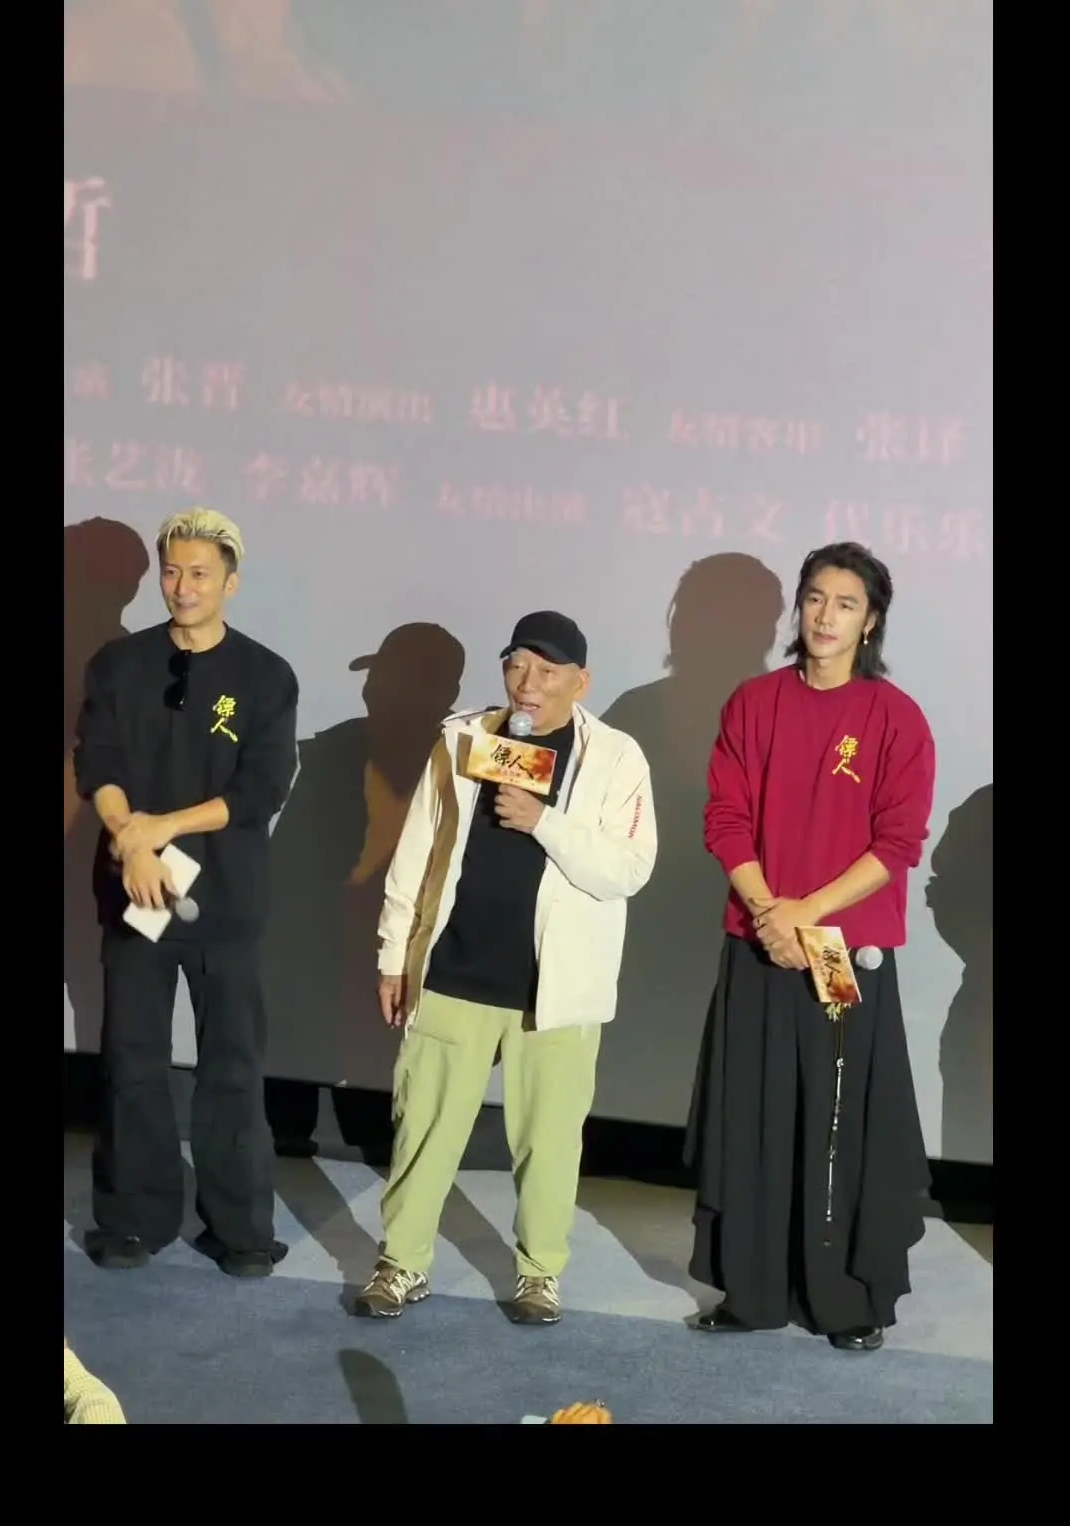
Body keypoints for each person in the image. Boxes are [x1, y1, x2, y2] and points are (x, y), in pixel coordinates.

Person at [355, 611, 656, 1326]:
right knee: (423, 1127)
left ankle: (539, 1274)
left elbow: (628, 868)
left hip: (555, 988)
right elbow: (419, 849)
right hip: (455, 968)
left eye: (548, 672)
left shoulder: (616, 758)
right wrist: (395, 953)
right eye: (518, 665)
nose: (529, 683)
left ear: (580, 682)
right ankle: (401, 1263)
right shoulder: (464, 739)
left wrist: (542, 819)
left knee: (549, 1142)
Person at [684, 542, 936, 1352]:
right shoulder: (754, 702)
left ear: (871, 622)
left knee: (837, 1121)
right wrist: (770, 913)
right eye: (817, 598)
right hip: (759, 940)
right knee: (753, 1113)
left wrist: (806, 915)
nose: (826, 616)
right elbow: (725, 818)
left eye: (846, 604)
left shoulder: (894, 717)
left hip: (839, 948)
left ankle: (844, 1298)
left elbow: (897, 843)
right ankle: (751, 1290)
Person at [73, 507, 299, 1277]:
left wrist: (160, 827)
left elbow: (262, 788)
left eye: (199, 573)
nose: (183, 586)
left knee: (231, 1068)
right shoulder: (119, 664)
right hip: (135, 892)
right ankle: (132, 1220)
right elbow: (97, 761)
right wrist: (129, 838)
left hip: (225, 900)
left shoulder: (266, 676)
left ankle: (242, 1230)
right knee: (132, 1060)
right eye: (172, 571)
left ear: (230, 582)